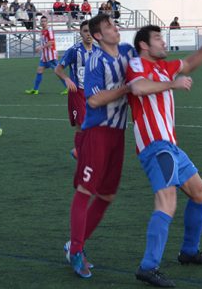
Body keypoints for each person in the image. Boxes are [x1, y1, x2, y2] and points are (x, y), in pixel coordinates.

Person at [127, 25, 202, 287]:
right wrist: (173, 84)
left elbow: (189, 64)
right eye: (157, 38)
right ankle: (148, 267)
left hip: (171, 147)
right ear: (144, 45)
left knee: (200, 193)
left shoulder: (163, 67)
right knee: (167, 202)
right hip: (155, 146)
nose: (163, 42)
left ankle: (189, 251)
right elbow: (138, 89)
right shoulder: (137, 64)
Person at [65, 14, 137, 279]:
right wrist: (127, 89)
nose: (115, 28)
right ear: (98, 36)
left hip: (118, 133)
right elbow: (94, 101)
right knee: (85, 190)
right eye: (108, 27)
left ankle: (75, 244)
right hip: (97, 132)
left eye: (113, 24)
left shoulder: (127, 51)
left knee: (107, 195)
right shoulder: (96, 60)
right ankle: (75, 250)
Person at [54, 20, 98, 160]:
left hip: (94, 94)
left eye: (91, 31)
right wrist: (66, 79)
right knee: (81, 124)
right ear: (80, 33)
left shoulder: (98, 51)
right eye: (85, 31)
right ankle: (81, 153)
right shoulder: (74, 51)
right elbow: (58, 69)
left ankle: (80, 151)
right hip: (77, 92)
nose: (88, 34)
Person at [25, 16, 66, 95]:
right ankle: (35, 89)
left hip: (51, 56)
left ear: (47, 22)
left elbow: (51, 42)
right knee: (39, 71)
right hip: (44, 56)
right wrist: (41, 48)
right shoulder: (42, 31)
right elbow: (44, 42)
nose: (43, 23)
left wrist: (40, 47)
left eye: (44, 21)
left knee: (58, 72)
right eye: (42, 21)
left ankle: (68, 87)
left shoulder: (49, 30)